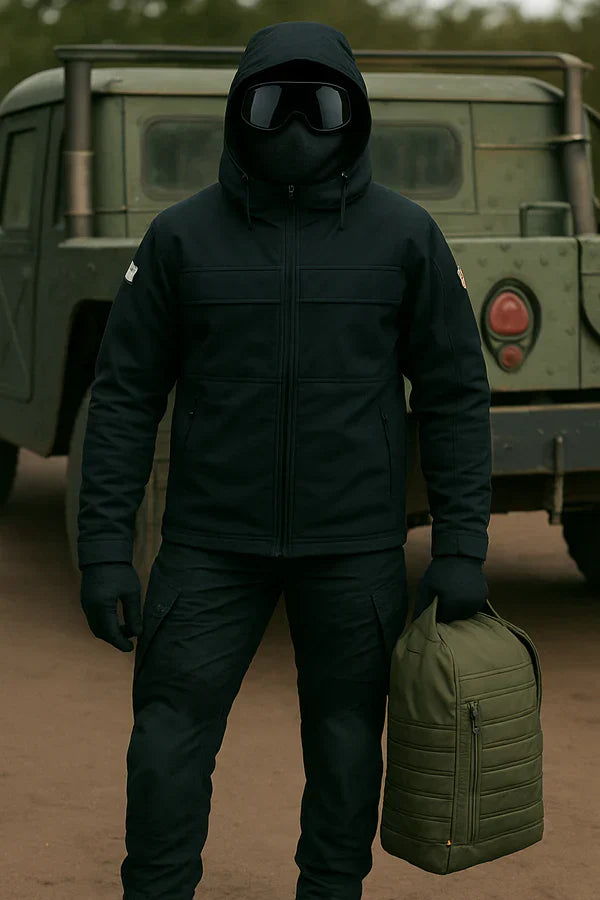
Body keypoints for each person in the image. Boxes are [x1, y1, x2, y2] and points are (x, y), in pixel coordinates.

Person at [77, 20, 492, 900]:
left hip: (354, 548)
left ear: (355, 115)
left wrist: (462, 547)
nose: (297, 126)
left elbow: (454, 395)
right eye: (273, 104)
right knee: (164, 744)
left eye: (321, 106)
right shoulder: (180, 238)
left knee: (346, 750)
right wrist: (105, 548)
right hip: (209, 545)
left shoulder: (406, 237)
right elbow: (122, 397)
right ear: (239, 113)